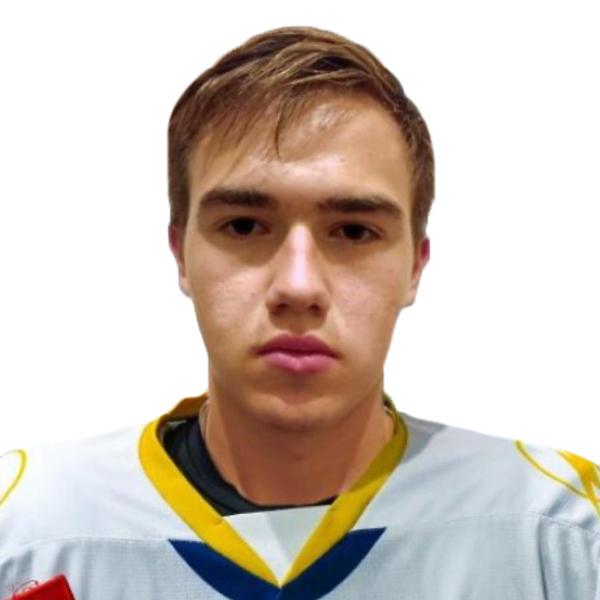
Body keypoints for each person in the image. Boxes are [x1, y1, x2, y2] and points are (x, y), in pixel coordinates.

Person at [0, 25, 598, 600]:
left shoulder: (559, 532)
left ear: (415, 267)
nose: (298, 285)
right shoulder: (28, 529)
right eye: (244, 226)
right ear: (181, 254)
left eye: (354, 231)